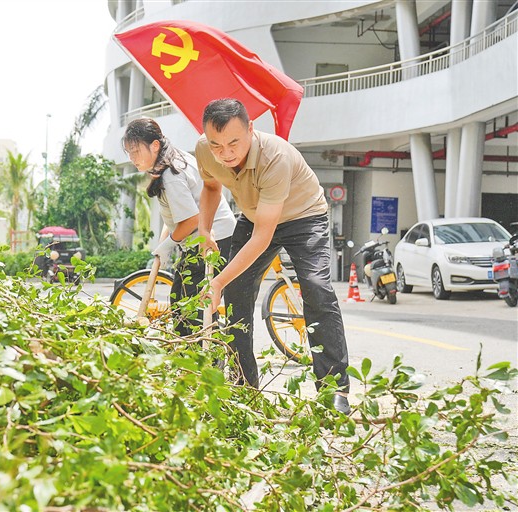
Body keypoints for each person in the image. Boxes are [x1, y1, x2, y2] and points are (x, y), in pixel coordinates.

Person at [195, 98, 351, 414]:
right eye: (217, 145)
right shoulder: (204, 150)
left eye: (234, 143)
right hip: (256, 215)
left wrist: (217, 282)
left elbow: (262, 238)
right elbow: (211, 187)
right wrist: (204, 229)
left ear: (251, 129)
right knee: (236, 292)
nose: (226, 153)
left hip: (304, 216)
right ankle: (243, 385)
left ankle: (334, 390)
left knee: (316, 287)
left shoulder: (275, 156)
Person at [123, 118, 236, 336]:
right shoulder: (173, 159)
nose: (132, 158)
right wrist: (165, 240)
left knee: (192, 309)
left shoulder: (171, 175)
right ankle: (195, 349)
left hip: (213, 239)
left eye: (135, 151)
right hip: (209, 236)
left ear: (154, 145)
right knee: (183, 302)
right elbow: (178, 216)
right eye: (129, 152)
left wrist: (169, 244)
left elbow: (191, 219)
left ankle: (203, 353)